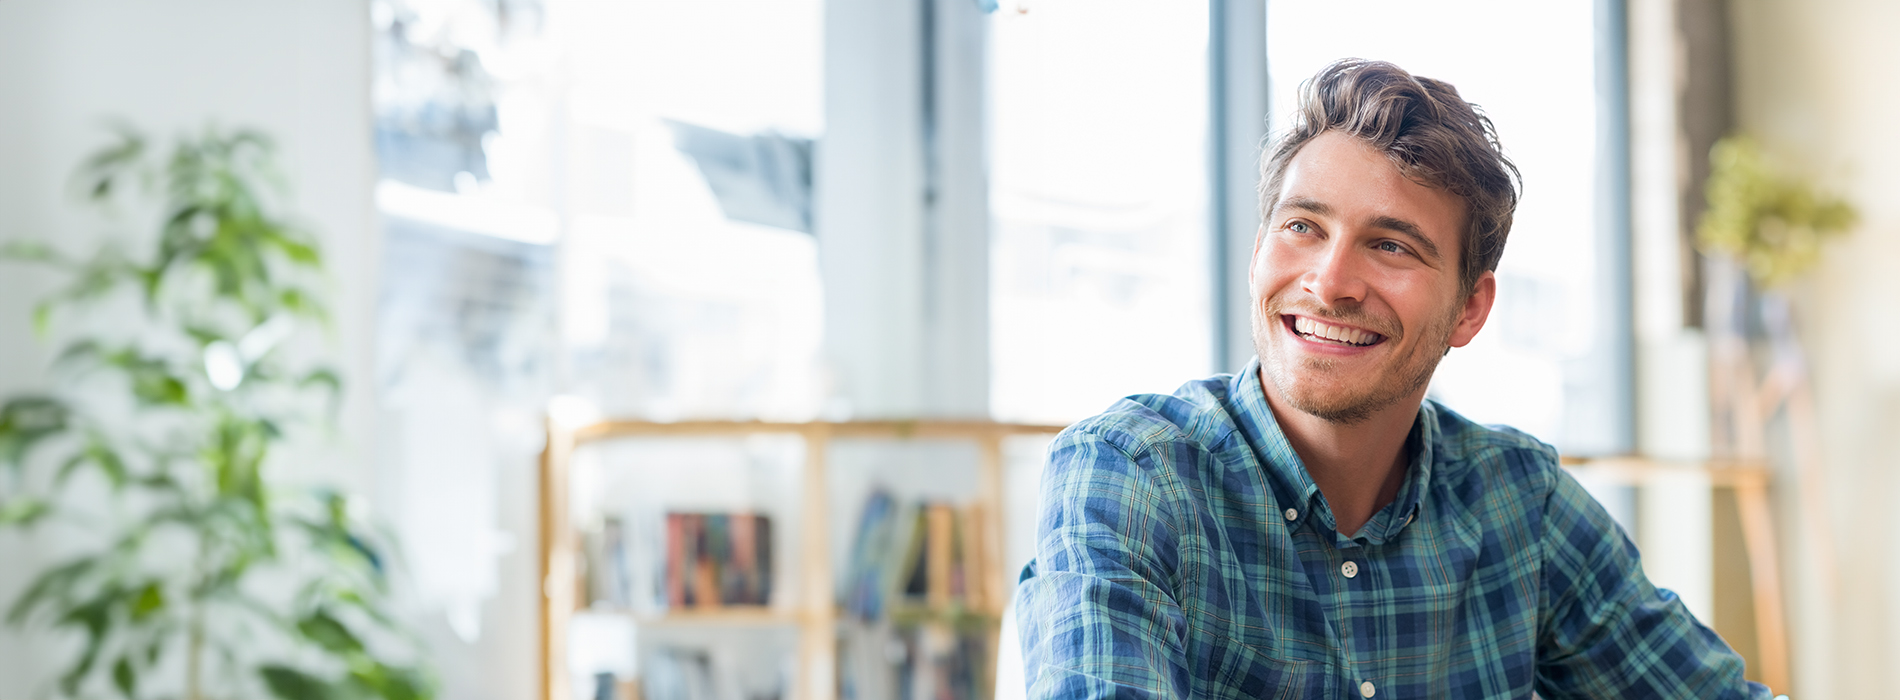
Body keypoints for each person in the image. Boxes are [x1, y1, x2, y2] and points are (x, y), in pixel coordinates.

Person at [1014, 59, 1774, 699]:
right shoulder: (1131, 476)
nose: (1331, 281)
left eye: (1391, 246)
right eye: (1303, 227)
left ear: (1469, 310)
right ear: (1258, 252)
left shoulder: (1518, 503)